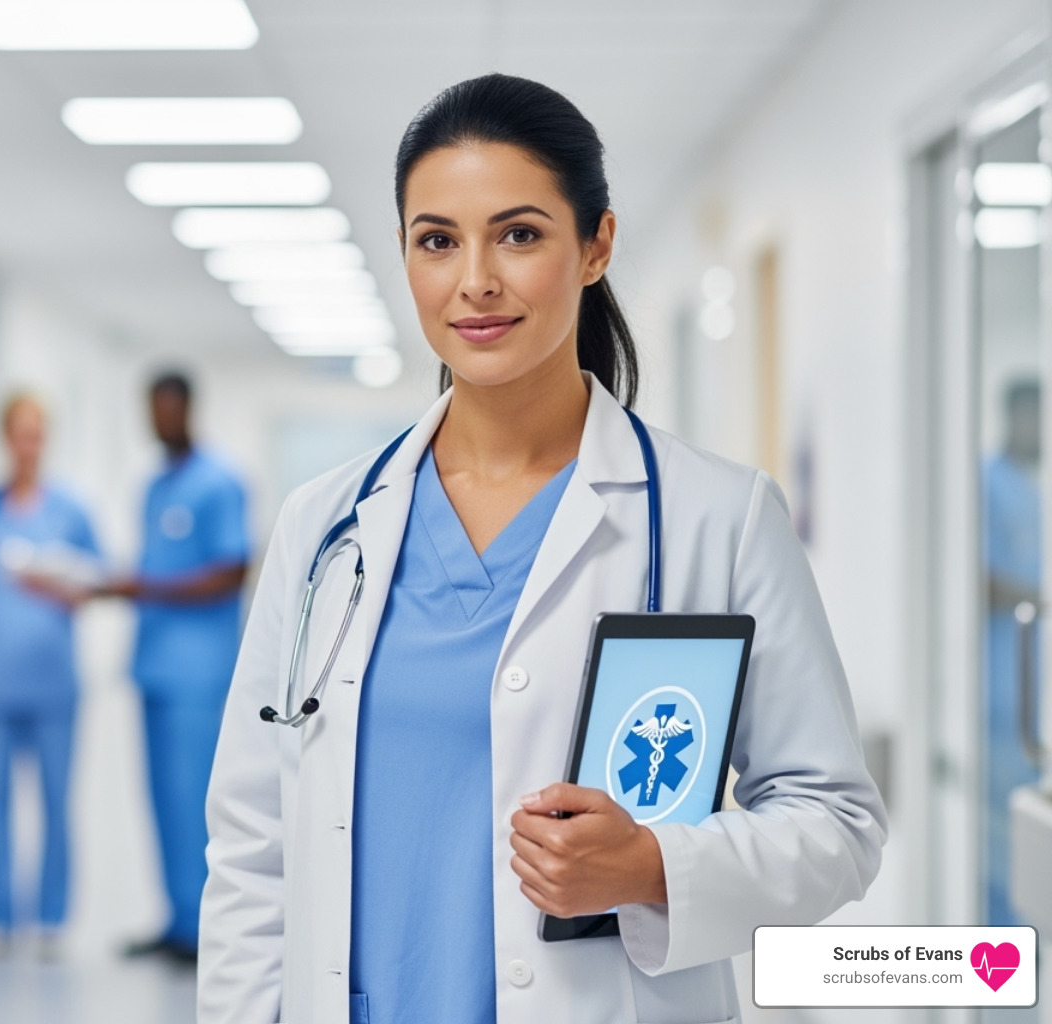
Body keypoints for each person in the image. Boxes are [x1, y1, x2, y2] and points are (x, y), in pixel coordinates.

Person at [198, 75, 886, 1024]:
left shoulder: (717, 518)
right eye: (437, 240)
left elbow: (838, 825)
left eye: (518, 234)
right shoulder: (326, 528)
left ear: (596, 244)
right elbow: (252, 845)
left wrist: (654, 864)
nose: (475, 279)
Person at [0, 394, 101, 958]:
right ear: (4, 438)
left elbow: (92, 586)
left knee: (58, 802)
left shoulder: (70, 512)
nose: (27, 444)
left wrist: (59, 584)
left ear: (47, 439)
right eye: (19, 433)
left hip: (53, 682)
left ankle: (52, 920)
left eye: (37, 433)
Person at [112, 372, 250, 962]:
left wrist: (143, 587)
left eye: (168, 408)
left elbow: (230, 570)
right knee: (162, 802)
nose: (159, 419)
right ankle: (174, 921)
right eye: (152, 409)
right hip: (154, 669)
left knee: (196, 801)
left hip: (199, 673)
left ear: (188, 408)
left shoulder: (218, 483)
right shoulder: (155, 485)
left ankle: (204, 931)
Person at [983, 379, 1042, 926]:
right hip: (995, 701)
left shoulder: (1030, 488)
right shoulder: (987, 483)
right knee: (998, 850)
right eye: (1035, 416)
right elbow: (977, 582)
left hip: (1026, 699)